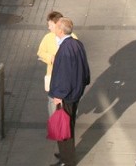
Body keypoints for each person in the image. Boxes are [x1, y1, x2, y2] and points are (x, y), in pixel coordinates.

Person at [49, 18, 91, 165]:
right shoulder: (76, 44)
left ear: (60, 31)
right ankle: (66, 155)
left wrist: (58, 95)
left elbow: (64, 75)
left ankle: (67, 160)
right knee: (69, 123)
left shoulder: (65, 49)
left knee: (63, 125)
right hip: (75, 91)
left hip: (66, 94)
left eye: (55, 27)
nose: (53, 29)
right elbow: (84, 67)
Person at [37, 10, 66, 118]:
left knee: (67, 104)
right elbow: (40, 52)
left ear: (57, 24)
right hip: (53, 76)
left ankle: (66, 127)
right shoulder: (48, 37)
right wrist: (51, 58)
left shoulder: (71, 37)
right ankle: (55, 125)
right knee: (52, 102)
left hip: (66, 78)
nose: (48, 28)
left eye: (50, 25)